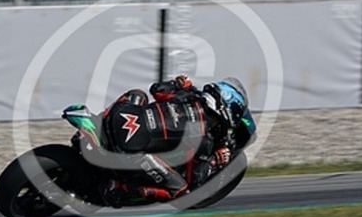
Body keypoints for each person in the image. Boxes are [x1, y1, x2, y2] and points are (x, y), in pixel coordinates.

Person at [100, 75, 257, 207]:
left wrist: (176, 84)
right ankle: (120, 189)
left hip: (119, 116)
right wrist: (215, 159)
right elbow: (196, 181)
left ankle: (101, 119)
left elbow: (156, 89)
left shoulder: (186, 95)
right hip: (130, 151)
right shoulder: (204, 140)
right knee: (181, 191)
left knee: (138, 94)